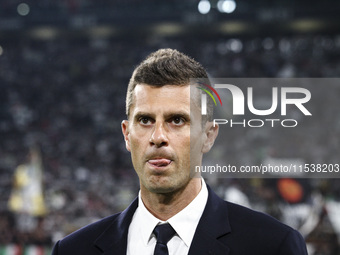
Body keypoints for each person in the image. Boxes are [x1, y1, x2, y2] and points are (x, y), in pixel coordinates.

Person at [51, 49, 308, 255]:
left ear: (208, 136)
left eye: (177, 120)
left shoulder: (273, 246)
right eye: (145, 120)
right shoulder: (74, 250)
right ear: (127, 134)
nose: (158, 137)